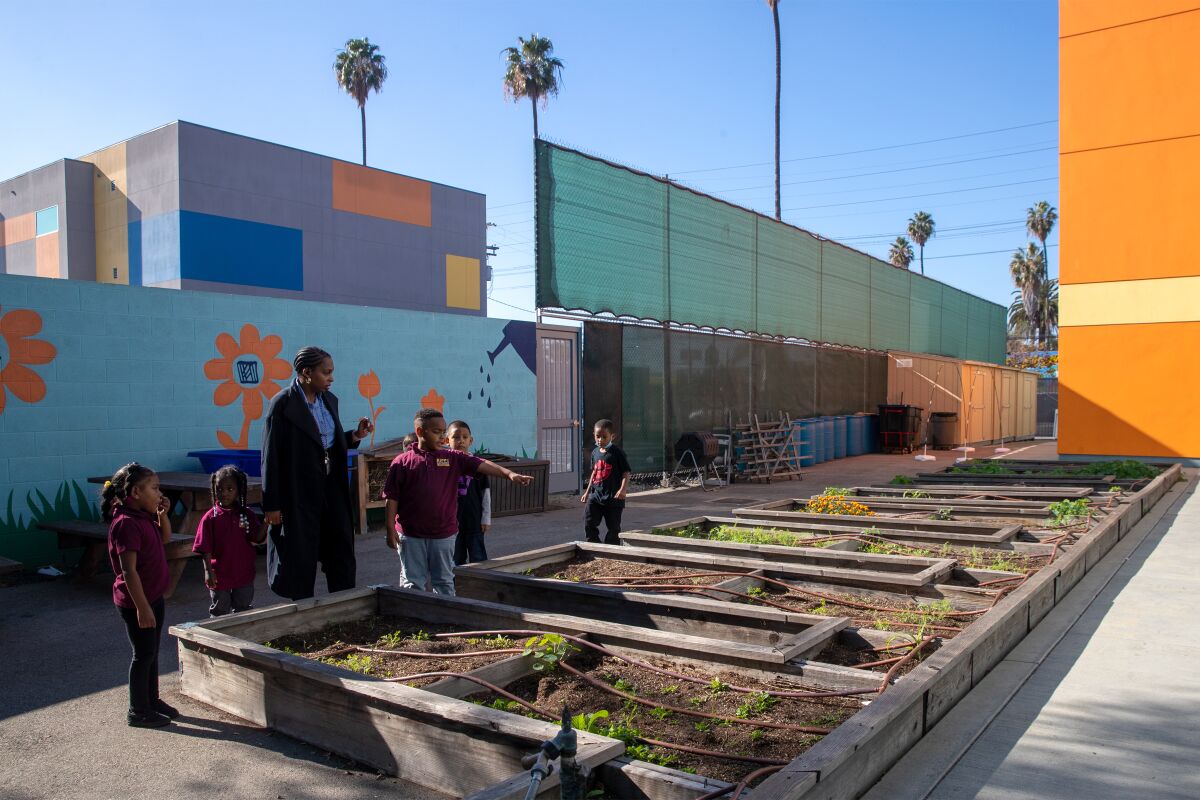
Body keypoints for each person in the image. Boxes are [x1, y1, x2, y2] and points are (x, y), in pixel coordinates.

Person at [261, 346, 374, 600]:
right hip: (299, 494)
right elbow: (271, 457)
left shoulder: (329, 401)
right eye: (326, 372)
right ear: (306, 372)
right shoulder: (283, 404)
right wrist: (272, 504)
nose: (331, 378)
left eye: (332, 372)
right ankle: (302, 613)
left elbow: (326, 445)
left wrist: (355, 436)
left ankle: (342, 606)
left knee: (340, 549)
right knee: (300, 555)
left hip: (331, 490)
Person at [383, 408, 532, 595]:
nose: (442, 438)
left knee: (444, 581)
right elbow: (392, 497)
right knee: (412, 582)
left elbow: (481, 464)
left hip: (443, 534)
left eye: (443, 432)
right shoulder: (402, 462)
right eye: (436, 432)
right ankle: (414, 621)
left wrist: (509, 474)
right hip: (410, 536)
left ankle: (447, 621)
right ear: (420, 432)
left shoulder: (452, 458)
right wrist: (390, 529)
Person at [102, 462, 178, 728]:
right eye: (155, 488)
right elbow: (128, 572)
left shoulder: (143, 516)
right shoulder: (125, 524)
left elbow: (165, 538)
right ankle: (138, 710)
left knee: (152, 652)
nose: (160, 493)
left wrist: (163, 514)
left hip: (152, 597)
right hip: (137, 602)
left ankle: (151, 700)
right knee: (143, 654)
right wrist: (142, 608)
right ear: (136, 491)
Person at [193, 465, 267, 617]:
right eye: (219, 489)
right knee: (220, 611)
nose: (224, 493)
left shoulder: (246, 514)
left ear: (238, 490)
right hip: (219, 575)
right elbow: (204, 547)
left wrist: (267, 522)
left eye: (230, 489)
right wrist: (208, 571)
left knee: (243, 608)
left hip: (243, 572)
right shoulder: (210, 518)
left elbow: (257, 538)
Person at [447, 420, 491, 565]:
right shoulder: (444, 464)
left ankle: (479, 586)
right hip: (452, 523)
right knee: (455, 559)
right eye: (456, 437)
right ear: (447, 440)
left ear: (470, 440)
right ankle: (455, 586)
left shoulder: (478, 465)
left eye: (465, 437)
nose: (461, 441)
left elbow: (486, 494)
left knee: (478, 558)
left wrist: (486, 518)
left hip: (474, 521)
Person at [581, 419, 632, 545]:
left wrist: (622, 490)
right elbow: (594, 472)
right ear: (594, 435)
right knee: (589, 521)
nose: (600, 440)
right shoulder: (595, 452)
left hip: (613, 498)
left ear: (612, 436)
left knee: (614, 527)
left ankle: (611, 548)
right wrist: (587, 492)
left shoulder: (617, 453)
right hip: (596, 496)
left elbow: (626, 472)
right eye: (598, 437)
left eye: (604, 437)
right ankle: (593, 544)